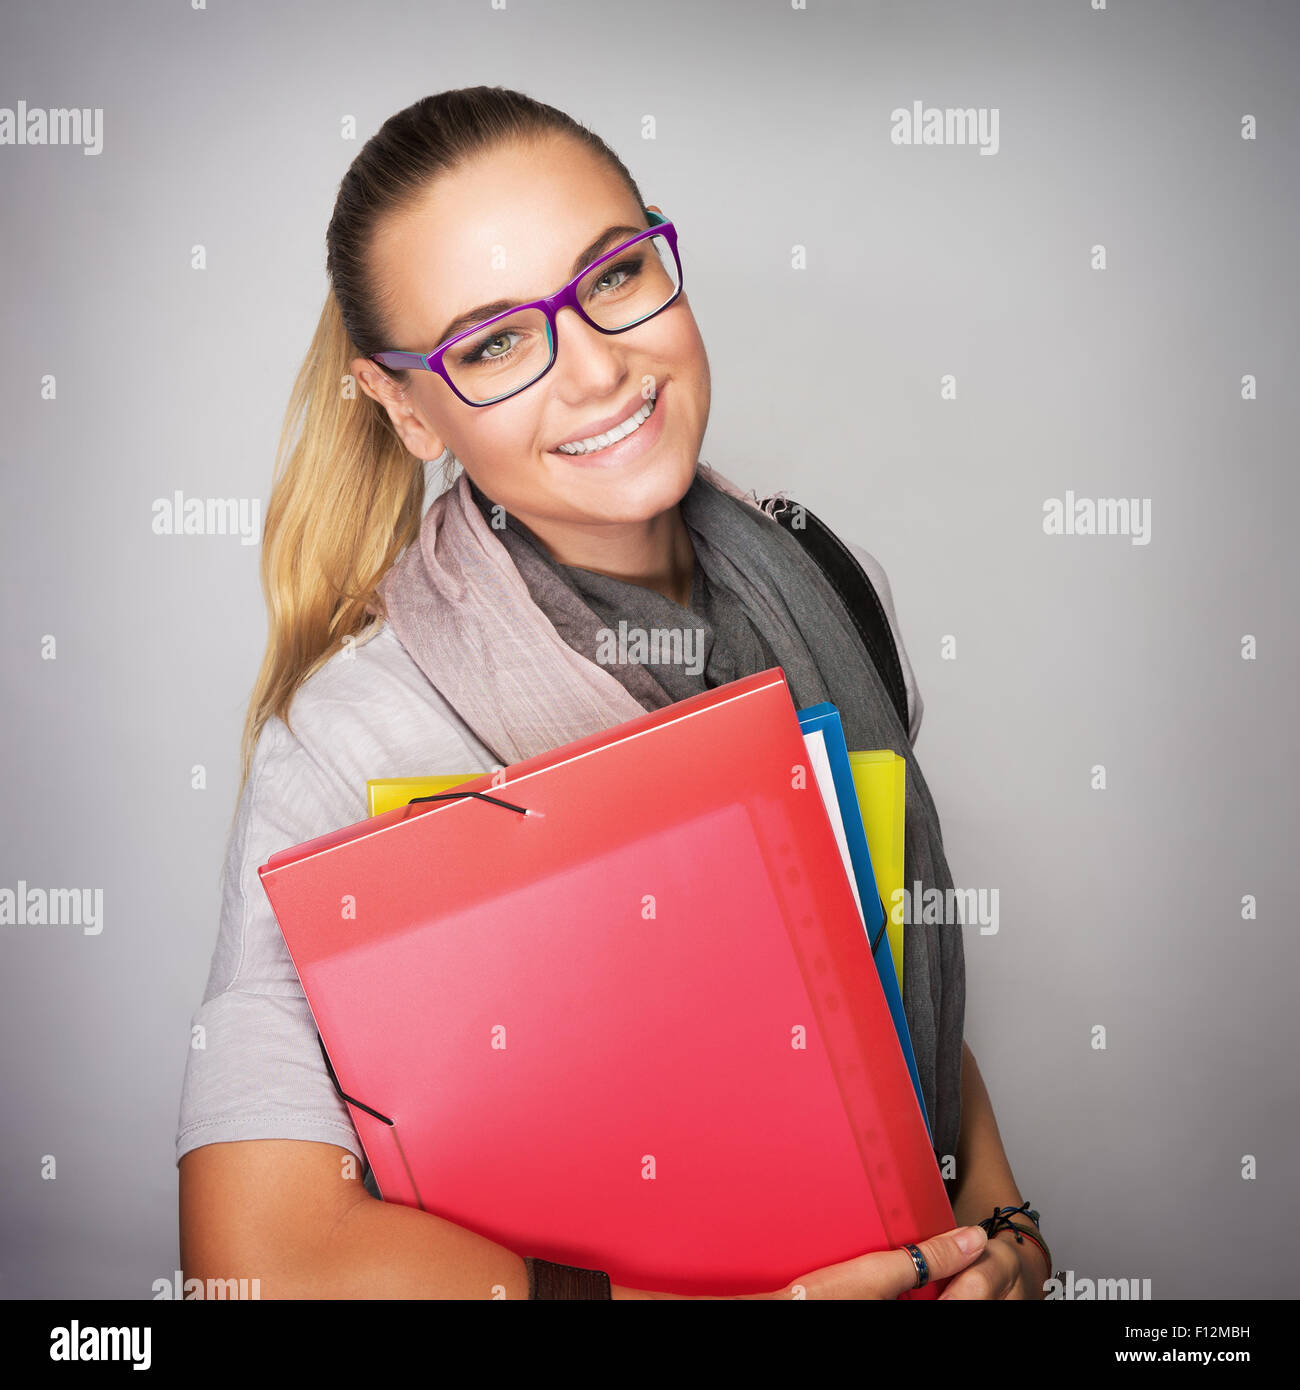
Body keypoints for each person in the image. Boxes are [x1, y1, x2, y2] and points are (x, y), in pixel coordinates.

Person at [176, 86, 1050, 1300]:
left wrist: (1003, 1227)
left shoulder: (836, 590)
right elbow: (259, 1260)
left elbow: (875, 984)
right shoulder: (351, 736)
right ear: (404, 406)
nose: (596, 369)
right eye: (492, 345)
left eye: (615, 276)